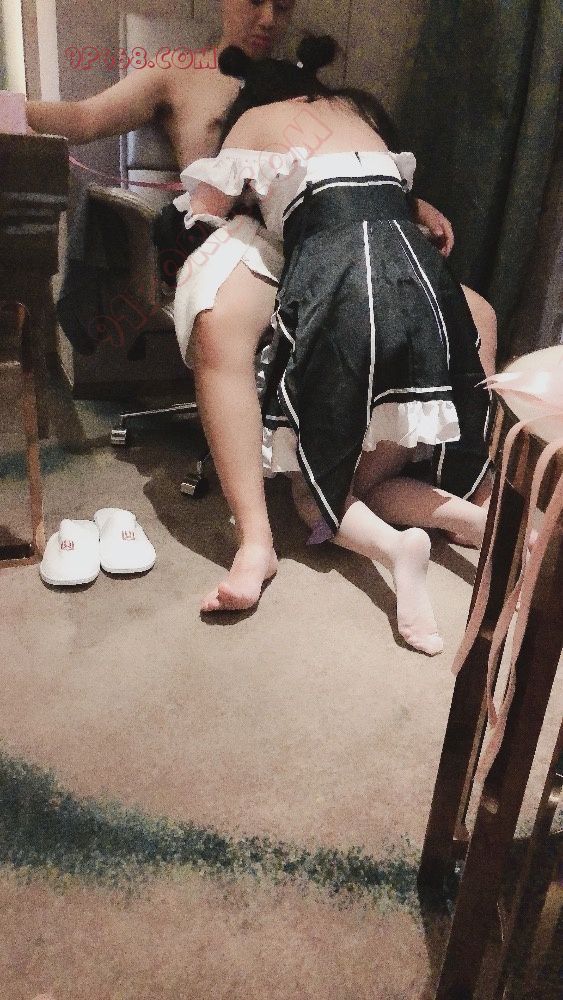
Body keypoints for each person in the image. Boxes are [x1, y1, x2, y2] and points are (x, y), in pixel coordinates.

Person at [25, 1, 496, 608]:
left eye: (284, 3)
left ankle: (459, 481)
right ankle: (256, 539)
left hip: (325, 226)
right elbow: (83, 118)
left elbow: (351, 166)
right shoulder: (174, 71)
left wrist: (413, 202)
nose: (270, 17)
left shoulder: (306, 87)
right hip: (240, 230)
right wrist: (14, 109)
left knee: (478, 312)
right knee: (219, 318)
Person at [171, 35, 493, 654]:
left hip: (345, 292)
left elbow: (207, 208)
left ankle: (387, 549)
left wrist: (233, 189)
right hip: (427, 291)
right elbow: (387, 194)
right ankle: (475, 519)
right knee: (365, 480)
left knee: (313, 490)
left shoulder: (254, 122)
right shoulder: (354, 116)